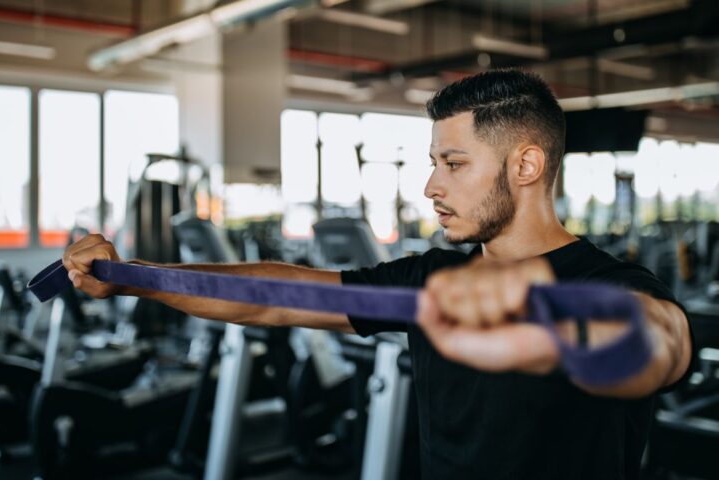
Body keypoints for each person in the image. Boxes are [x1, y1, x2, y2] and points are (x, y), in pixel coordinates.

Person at [63, 69, 691, 479]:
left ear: (526, 165)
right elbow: (274, 300)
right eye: (432, 163)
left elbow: (662, 343)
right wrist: (136, 277)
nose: (431, 185)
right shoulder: (430, 281)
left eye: (453, 163)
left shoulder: (613, 286)